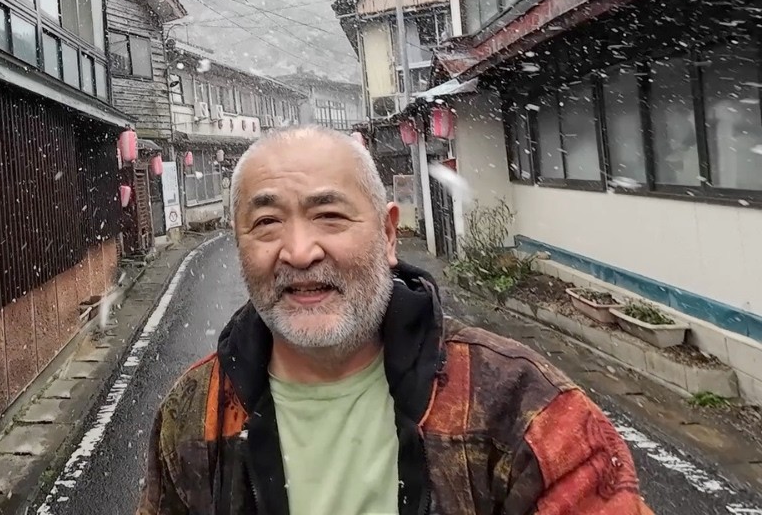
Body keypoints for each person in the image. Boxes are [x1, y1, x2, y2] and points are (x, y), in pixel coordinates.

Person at [138, 126, 652, 515]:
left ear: (388, 235)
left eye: (330, 216)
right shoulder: (195, 410)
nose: (298, 251)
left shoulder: (519, 403)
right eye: (267, 222)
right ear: (240, 245)